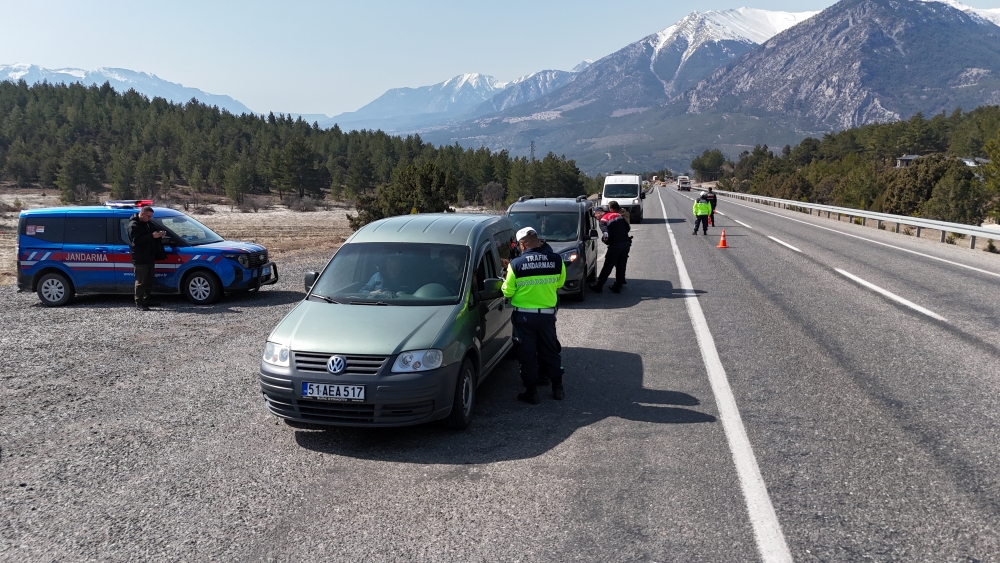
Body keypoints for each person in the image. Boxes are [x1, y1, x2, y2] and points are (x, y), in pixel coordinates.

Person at [502, 226, 566, 404]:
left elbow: (507, 292)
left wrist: (504, 281)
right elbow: (559, 283)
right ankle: (558, 388)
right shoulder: (556, 260)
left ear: (522, 245)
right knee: (550, 350)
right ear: (538, 240)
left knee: (527, 353)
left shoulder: (516, 264)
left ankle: (532, 392)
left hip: (524, 318)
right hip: (547, 316)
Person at [127, 205, 166, 311]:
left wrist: (159, 233)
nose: (150, 218)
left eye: (151, 217)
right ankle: (139, 302)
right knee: (141, 281)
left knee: (149, 280)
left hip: (150, 256)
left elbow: (153, 232)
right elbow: (136, 241)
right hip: (140, 257)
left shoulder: (148, 223)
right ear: (142, 214)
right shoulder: (133, 225)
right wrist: (152, 236)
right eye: (148, 216)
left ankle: (147, 299)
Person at [589, 202, 631, 294]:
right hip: (626, 243)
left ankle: (599, 286)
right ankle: (618, 286)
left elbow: (606, 235)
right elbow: (627, 228)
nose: (595, 218)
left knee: (608, 266)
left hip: (615, 246)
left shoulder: (603, 221)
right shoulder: (617, 215)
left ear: (599, 212)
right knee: (621, 265)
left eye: (595, 215)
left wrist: (606, 241)